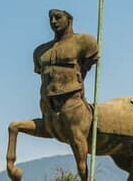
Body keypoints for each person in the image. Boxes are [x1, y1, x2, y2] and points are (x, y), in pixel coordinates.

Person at [32, 9, 99, 140]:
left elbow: (87, 64)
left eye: (58, 17)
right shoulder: (40, 51)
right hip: (47, 102)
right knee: (15, 127)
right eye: (51, 19)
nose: (53, 21)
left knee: (77, 137)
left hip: (71, 98)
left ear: (69, 20)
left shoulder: (83, 41)